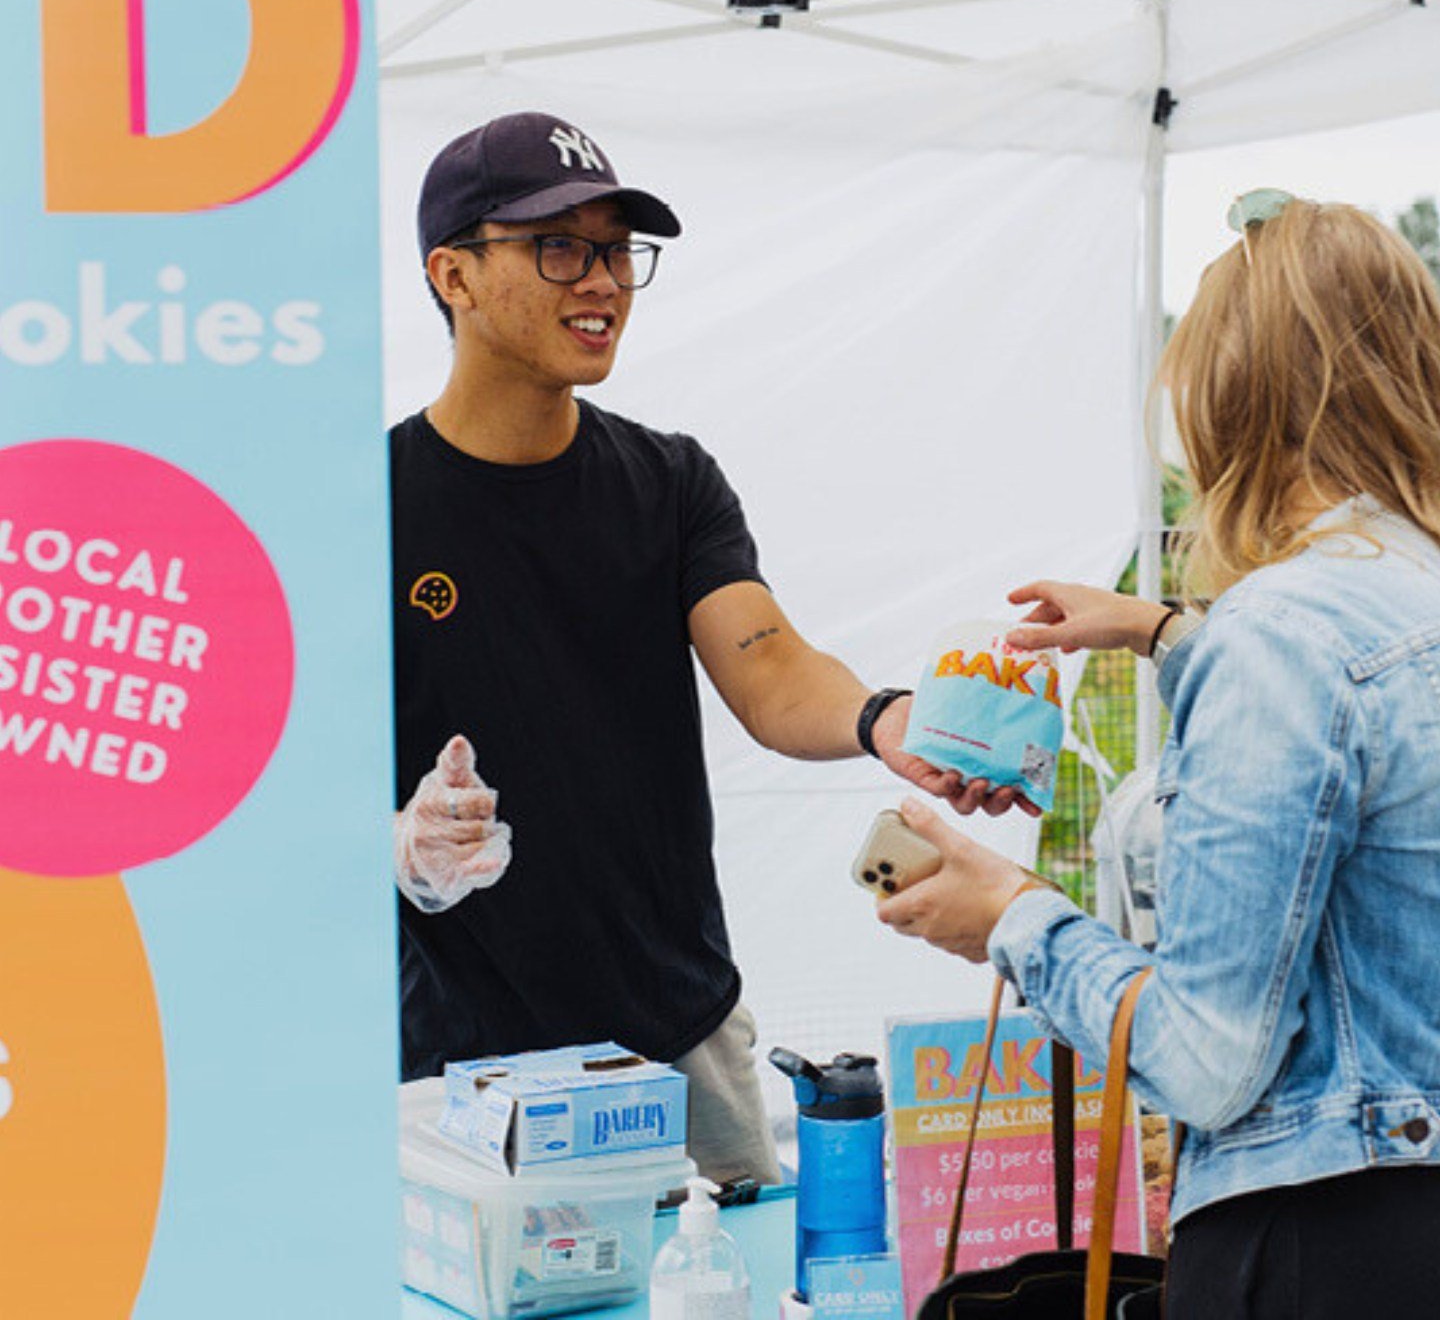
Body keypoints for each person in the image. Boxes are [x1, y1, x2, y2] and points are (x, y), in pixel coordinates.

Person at [388, 111, 1027, 1183]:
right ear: (452, 274)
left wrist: (887, 720)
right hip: (462, 1069)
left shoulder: (671, 482)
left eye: (616, 252)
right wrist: (396, 840)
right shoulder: (368, 503)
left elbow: (771, 669)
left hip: (680, 1040)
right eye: (559, 248)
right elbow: (278, 789)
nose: (600, 282)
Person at [876, 193, 1440, 1316]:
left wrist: (1014, 918)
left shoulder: (1283, 635)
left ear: (1233, 404)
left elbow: (1205, 1060)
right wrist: (1168, 633)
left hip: (1326, 1247)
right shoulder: (1403, 602)